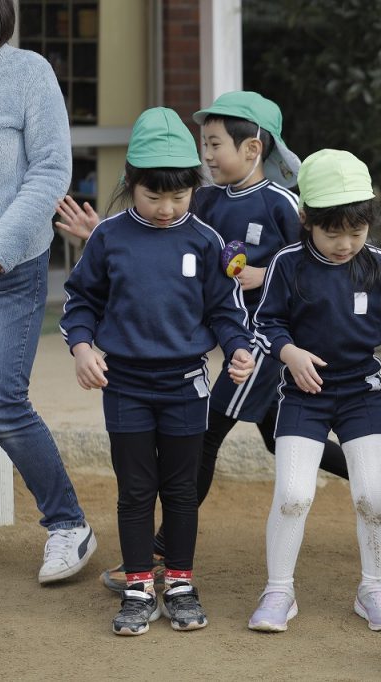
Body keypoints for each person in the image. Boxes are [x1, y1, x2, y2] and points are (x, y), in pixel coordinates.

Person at [54, 92, 381, 594]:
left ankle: (161, 551)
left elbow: (319, 259)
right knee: (274, 434)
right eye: (204, 143)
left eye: (215, 143)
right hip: (234, 338)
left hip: (263, 343)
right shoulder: (204, 200)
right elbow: (162, 241)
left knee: (205, 435)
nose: (207, 154)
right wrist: (103, 235)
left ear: (252, 148)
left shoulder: (282, 202)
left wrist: (264, 275)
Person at [60, 107, 257, 635]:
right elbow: (80, 301)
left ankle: (181, 583)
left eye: (179, 196)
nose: (167, 209)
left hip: (186, 385)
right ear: (131, 184)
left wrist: (238, 347)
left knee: (181, 489)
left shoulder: (207, 241)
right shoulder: (108, 238)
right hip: (123, 384)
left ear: (194, 187)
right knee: (135, 489)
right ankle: (138, 586)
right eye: (154, 196)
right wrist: (82, 347)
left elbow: (225, 309)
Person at [247, 148, 381, 633]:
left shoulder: (377, 265)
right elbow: (265, 323)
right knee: (292, 494)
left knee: (374, 496)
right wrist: (289, 353)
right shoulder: (287, 264)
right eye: (332, 233)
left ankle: (374, 588)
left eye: (357, 231)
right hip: (302, 394)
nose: (346, 244)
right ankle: (278, 590)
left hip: (360, 395)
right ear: (306, 220)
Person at [0, 0, 97, 582]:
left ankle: (68, 525)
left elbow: (51, 168)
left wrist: (5, 239)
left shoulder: (27, 72)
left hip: (9, 268)